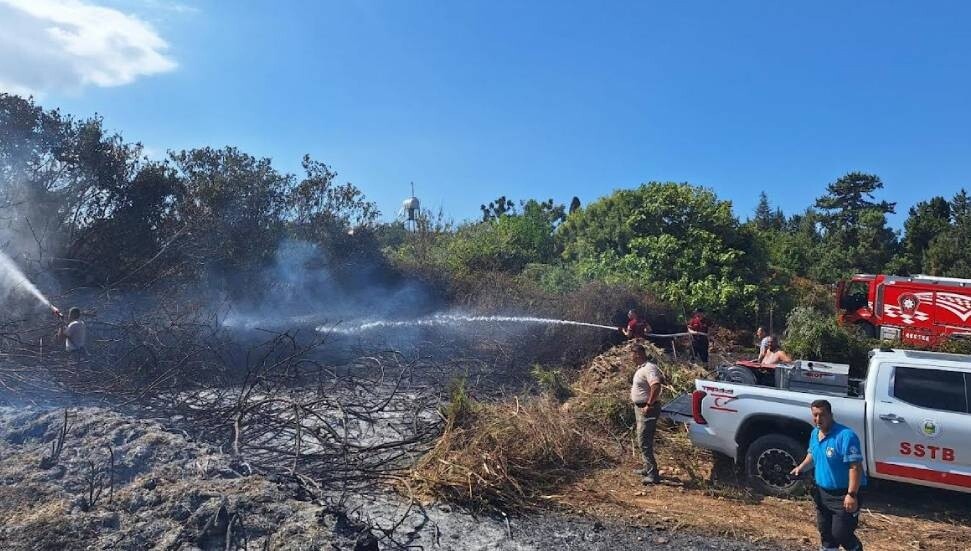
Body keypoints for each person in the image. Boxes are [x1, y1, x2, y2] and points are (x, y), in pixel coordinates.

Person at [790, 399, 866, 551]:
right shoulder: (815, 433)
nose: (818, 419)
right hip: (822, 492)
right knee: (826, 532)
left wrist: (852, 494)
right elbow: (812, 454)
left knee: (841, 533)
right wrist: (801, 467)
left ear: (831, 415)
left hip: (844, 494)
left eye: (822, 415)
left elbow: (855, 466)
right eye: (815, 415)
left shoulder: (846, 436)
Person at [629, 344, 664, 485]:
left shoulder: (649, 368)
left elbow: (656, 385)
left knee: (644, 441)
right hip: (641, 408)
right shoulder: (642, 368)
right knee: (641, 439)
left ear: (638, 354)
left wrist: (649, 404)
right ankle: (646, 467)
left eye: (631, 354)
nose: (630, 357)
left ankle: (652, 475)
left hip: (647, 409)